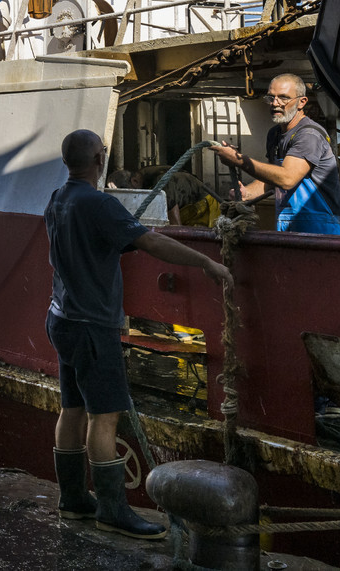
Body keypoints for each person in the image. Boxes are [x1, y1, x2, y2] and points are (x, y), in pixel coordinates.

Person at [46, 129, 232, 540]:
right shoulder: (98, 203)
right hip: (93, 325)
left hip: (62, 318)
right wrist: (205, 262)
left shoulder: (58, 200)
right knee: (104, 415)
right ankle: (112, 510)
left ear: (66, 162)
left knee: (72, 408)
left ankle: (73, 499)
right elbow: (149, 241)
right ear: (100, 159)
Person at [212, 73, 340, 234]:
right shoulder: (274, 135)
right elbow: (273, 180)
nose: (275, 103)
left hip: (325, 230)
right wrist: (247, 193)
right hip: (292, 229)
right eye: (271, 98)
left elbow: (287, 178)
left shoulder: (308, 135)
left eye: (283, 98)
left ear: (302, 102)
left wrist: (239, 160)